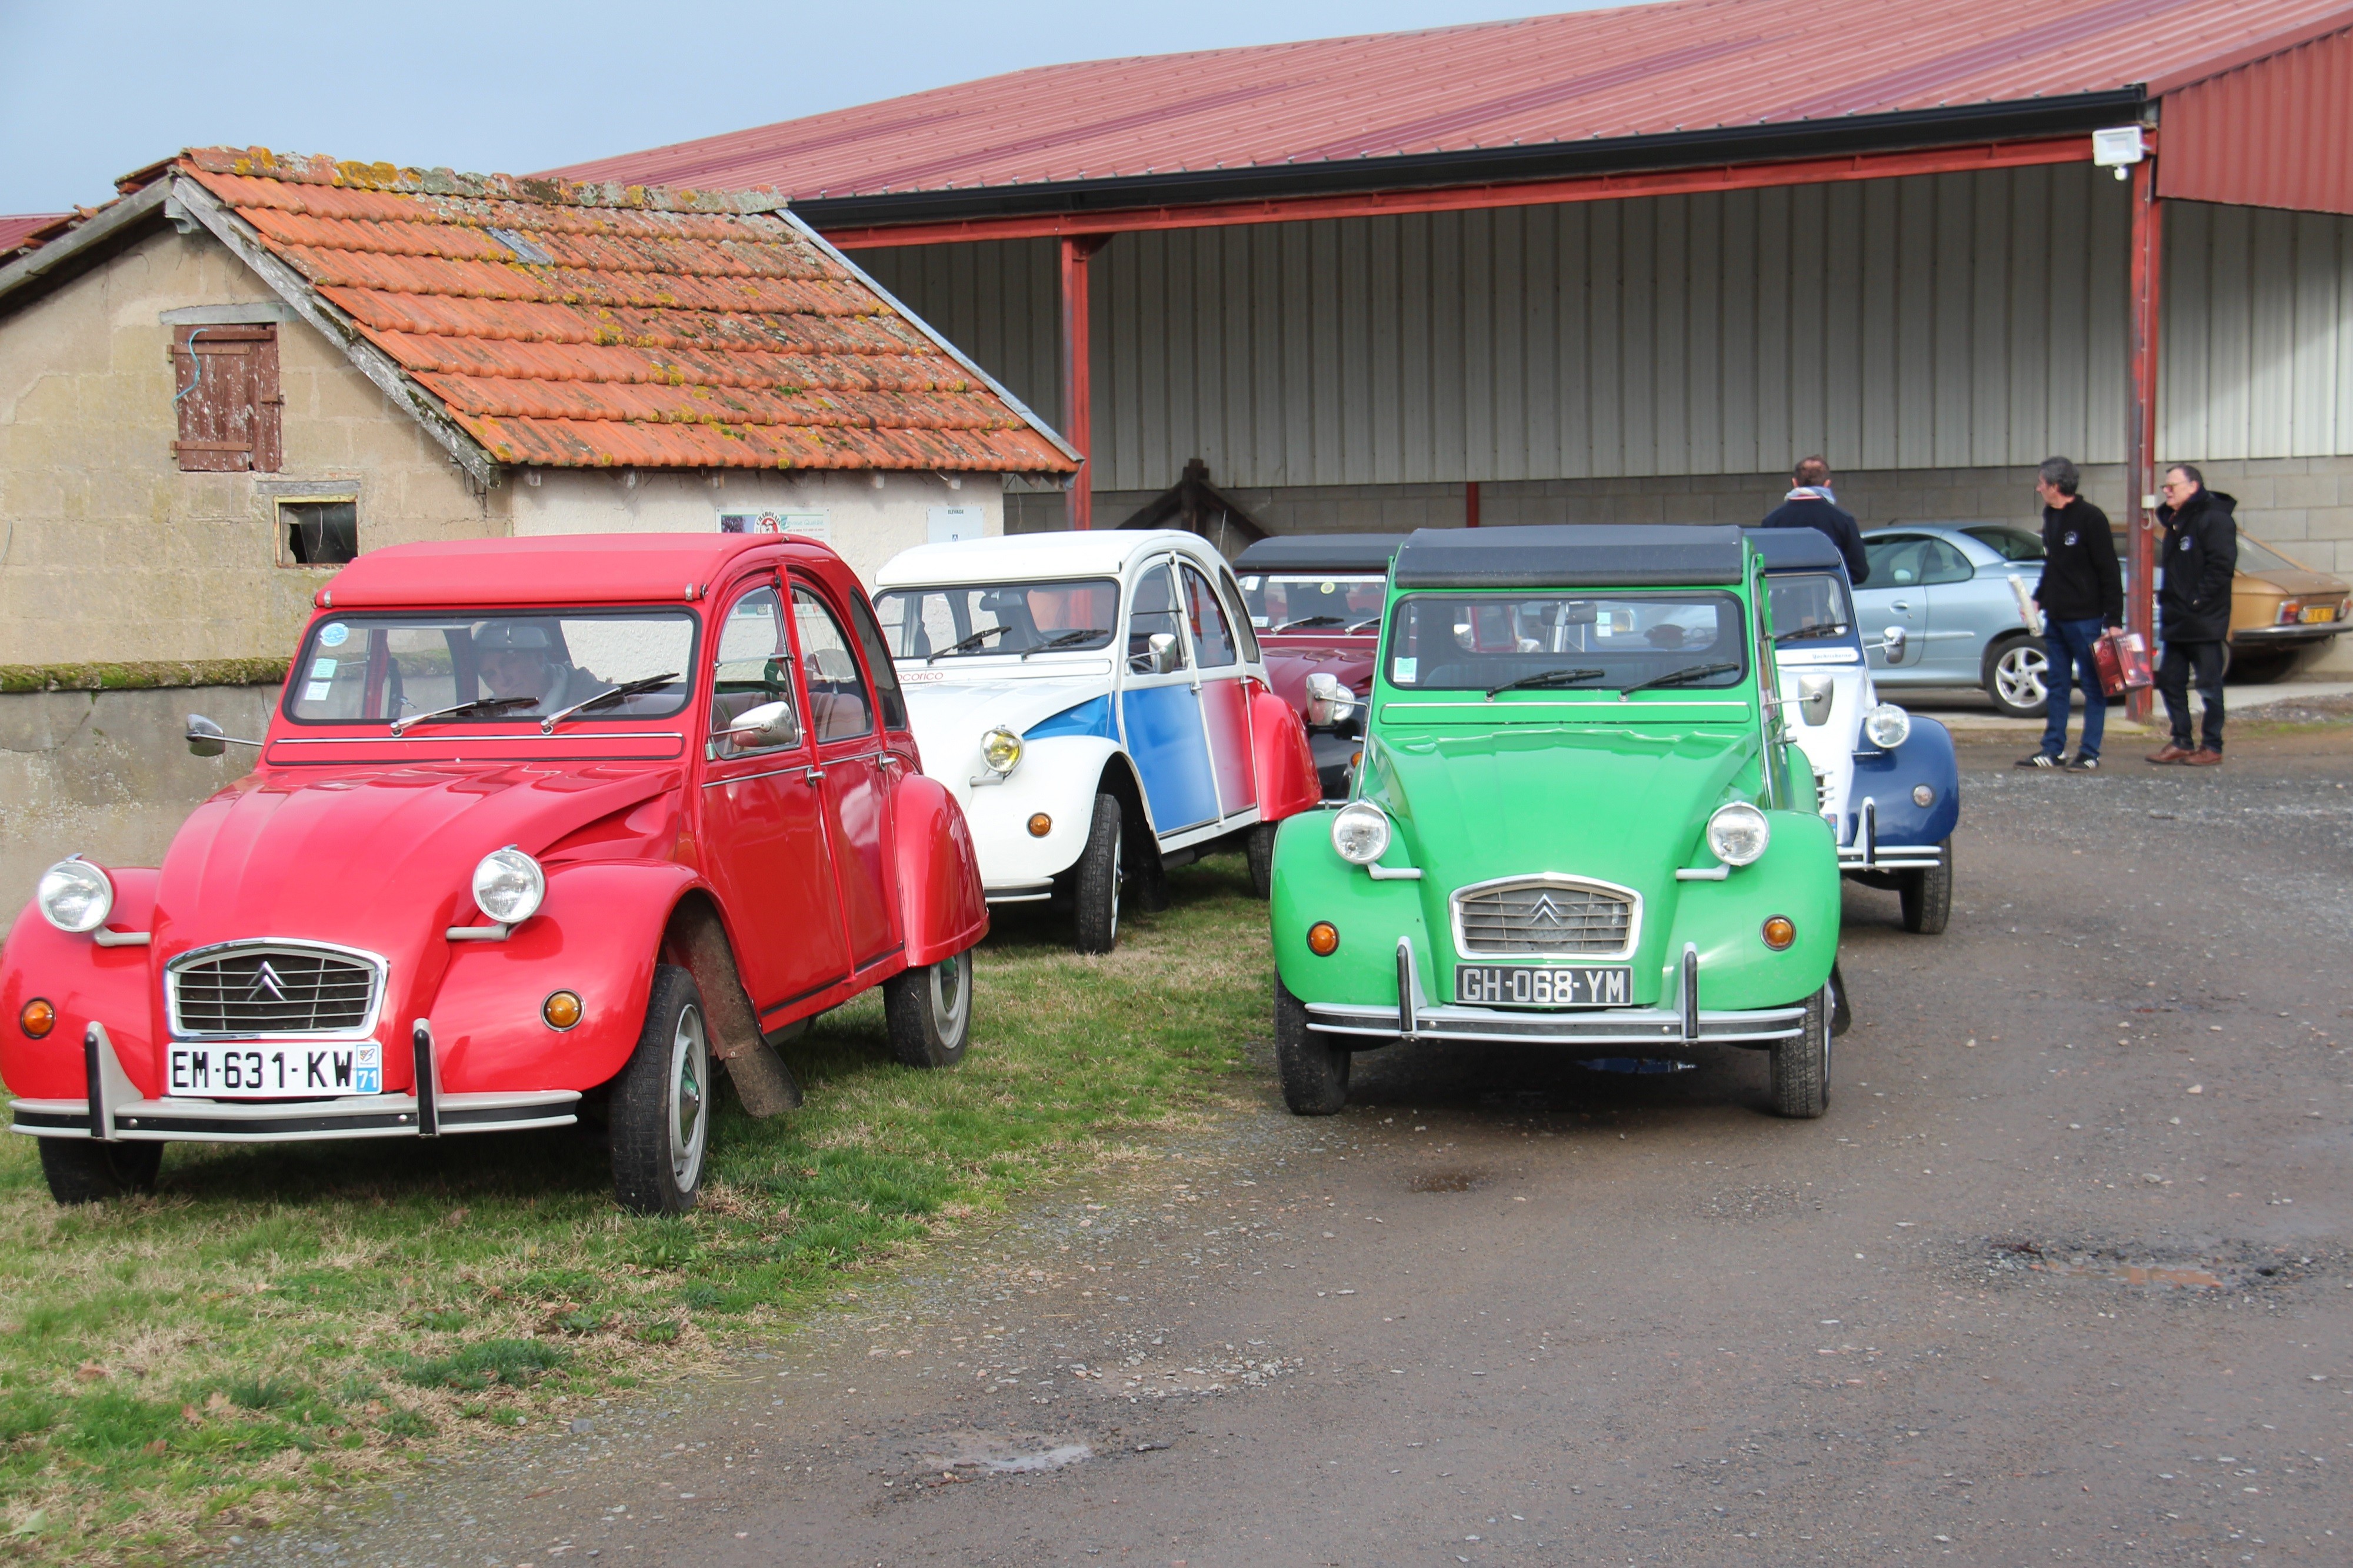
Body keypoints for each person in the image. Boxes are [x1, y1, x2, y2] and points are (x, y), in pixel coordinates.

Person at [2017, 456, 2122, 771]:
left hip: (2086, 618)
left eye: (2041, 484)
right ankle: (2052, 749)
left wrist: (2113, 620)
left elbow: (2109, 570)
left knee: (2092, 684)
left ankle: (2090, 752)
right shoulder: (2051, 517)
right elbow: (2054, 566)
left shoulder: (2091, 518)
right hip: (2057, 617)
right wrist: (2036, 600)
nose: (2038, 489)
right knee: (2058, 683)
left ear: (2056, 486)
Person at [2147, 463, 2237, 765]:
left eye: (2173, 485)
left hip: (2203, 620)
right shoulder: (2176, 522)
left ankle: (2212, 745)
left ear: (2193, 486)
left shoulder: (2215, 520)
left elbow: (2221, 568)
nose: (2166, 491)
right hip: (2178, 619)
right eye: (2165, 486)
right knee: (2170, 681)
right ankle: (2182, 740)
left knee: (2208, 686)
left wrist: (2197, 601)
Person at [1758, 456, 1870, 586]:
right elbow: (1859, 572)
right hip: (1825, 600)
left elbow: (1763, 569)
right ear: (1827, 484)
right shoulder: (1843, 520)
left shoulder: (1772, 521)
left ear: (1795, 483)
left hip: (1784, 601)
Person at [474, 620, 602, 715]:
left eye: (507, 663)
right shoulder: (487, 720)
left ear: (538, 656)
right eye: (491, 675)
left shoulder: (602, 702)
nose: (504, 680)